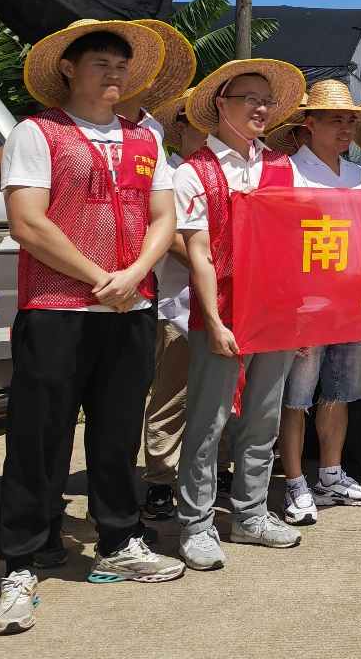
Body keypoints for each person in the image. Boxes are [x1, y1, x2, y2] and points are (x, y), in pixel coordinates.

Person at [0, 20, 182, 634]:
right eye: (101, 62)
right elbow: (27, 221)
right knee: (38, 430)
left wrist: (134, 275)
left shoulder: (143, 138)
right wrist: (102, 276)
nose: (114, 73)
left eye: (121, 65)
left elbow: (164, 216)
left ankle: (117, 539)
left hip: (131, 306)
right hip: (57, 305)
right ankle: (20, 559)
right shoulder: (37, 131)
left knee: (118, 427)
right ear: (69, 70)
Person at [173, 58, 307, 570]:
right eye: (249, 97)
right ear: (219, 106)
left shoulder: (280, 166)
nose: (261, 107)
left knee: (262, 417)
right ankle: (197, 523)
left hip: (273, 311)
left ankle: (250, 514)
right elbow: (199, 255)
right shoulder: (193, 172)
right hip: (221, 312)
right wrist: (215, 320)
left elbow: (296, 240)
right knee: (207, 422)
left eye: (266, 100)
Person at [277, 80, 361, 525]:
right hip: (306, 304)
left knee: (341, 391)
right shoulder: (287, 172)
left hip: (353, 303)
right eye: (335, 120)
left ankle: (331, 472)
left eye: (350, 121)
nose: (345, 128)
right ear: (310, 122)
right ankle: (294, 480)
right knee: (296, 396)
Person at [141, 89, 235, 521]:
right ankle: (161, 478)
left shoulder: (234, 170)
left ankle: (218, 470)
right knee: (173, 395)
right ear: (180, 125)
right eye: (198, 119)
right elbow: (174, 240)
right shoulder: (170, 172)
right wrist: (215, 260)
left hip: (229, 303)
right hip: (179, 303)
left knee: (225, 396)